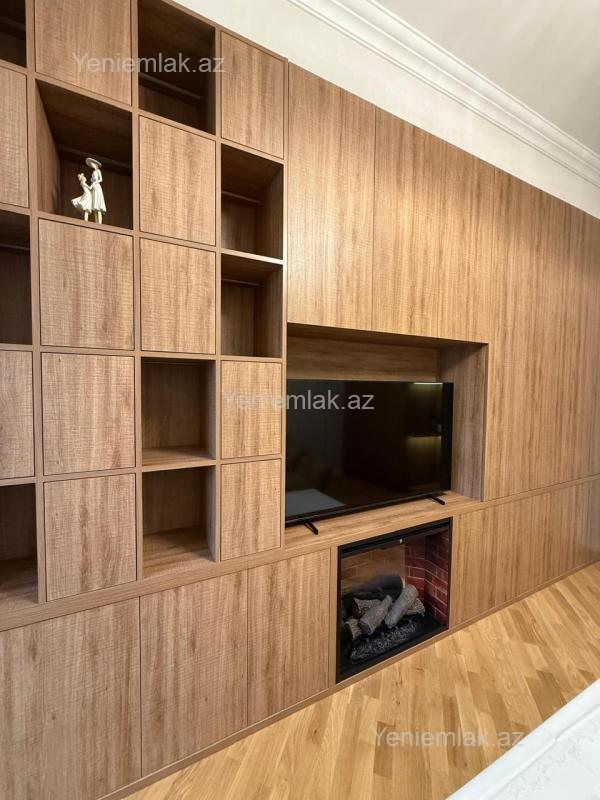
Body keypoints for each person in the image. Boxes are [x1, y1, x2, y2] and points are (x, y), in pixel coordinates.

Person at [86, 157, 106, 224]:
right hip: (93, 187)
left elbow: (101, 179)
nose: (92, 165)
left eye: (93, 164)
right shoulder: (93, 172)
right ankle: (96, 223)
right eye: (91, 165)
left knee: (98, 206)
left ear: (95, 164)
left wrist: (95, 182)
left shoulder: (98, 171)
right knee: (95, 207)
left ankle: (99, 223)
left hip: (97, 187)